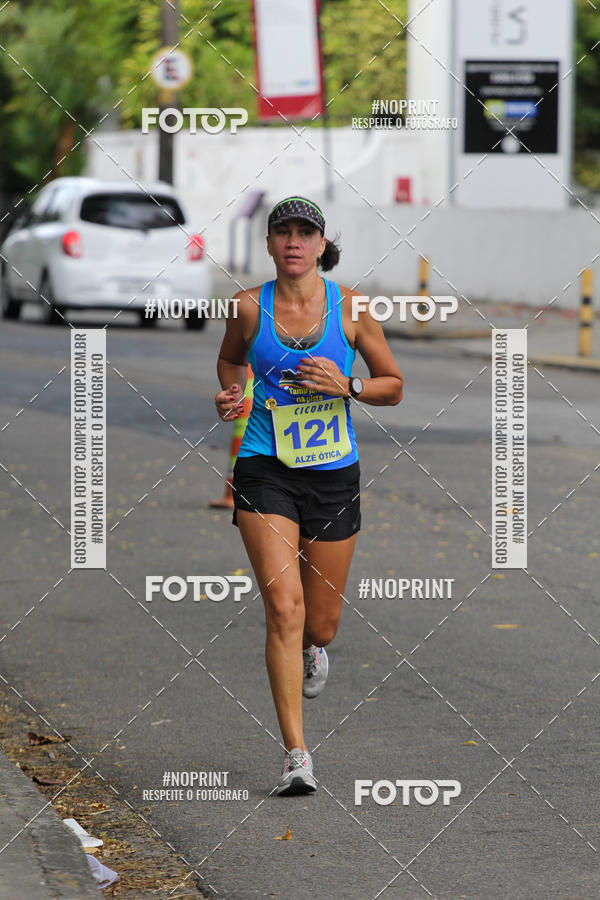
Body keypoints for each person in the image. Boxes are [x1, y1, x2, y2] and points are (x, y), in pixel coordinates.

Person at [215, 196, 403, 796]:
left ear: (322, 245)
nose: (294, 242)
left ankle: (316, 651)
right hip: (264, 467)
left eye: (305, 232)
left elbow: (393, 385)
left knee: (320, 623)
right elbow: (229, 361)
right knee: (284, 610)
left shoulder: (352, 311)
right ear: (269, 245)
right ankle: (296, 754)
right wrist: (231, 393)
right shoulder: (248, 308)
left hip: (332, 474)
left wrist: (347, 384)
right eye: (283, 232)